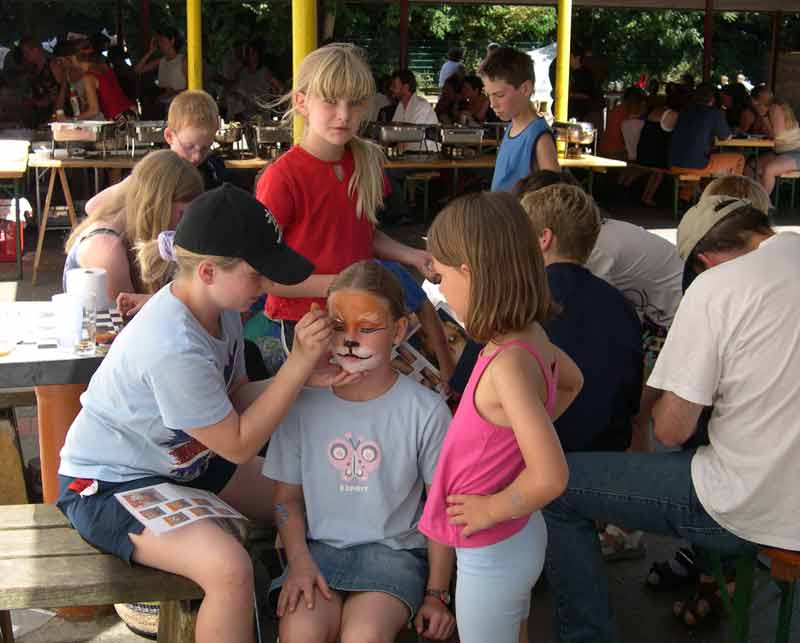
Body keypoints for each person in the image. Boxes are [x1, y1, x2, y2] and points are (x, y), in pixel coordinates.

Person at [57, 184, 361, 643]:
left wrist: (303, 378)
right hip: (109, 484)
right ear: (207, 271)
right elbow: (237, 444)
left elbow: (233, 397)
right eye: (256, 275)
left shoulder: (222, 306)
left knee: (308, 501)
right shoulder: (172, 344)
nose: (266, 286)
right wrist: (295, 366)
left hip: (183, 462)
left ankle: (330, 606)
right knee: (230, 570)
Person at [543, 194, 800, 640]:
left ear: (704, 260)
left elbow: (671, 429)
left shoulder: (717, 286)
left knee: (557, 486)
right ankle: (714, 580)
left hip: (754, 506)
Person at [419, 191, 581, 643]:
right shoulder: (530, 336)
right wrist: (520, 442)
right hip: (517, 532)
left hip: (493, 546)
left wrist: (492, 506)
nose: (440, 289)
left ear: (469, 273)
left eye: (442, 276)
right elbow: (572, 382)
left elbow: (551, 476)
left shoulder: (507, 363)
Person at [265, 260, 456, 643]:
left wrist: (437, 594)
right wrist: (299, 562)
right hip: (316, 554)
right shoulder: (300, 404)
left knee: (365, 635)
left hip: (394, 555)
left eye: (367, 329)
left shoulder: (425, 409)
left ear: (398, 330)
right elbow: (286, 499)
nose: (351, 339)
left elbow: (442, 507)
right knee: (300, 633)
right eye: (338, 326)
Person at [255, 43, 436, 351]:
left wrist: (415, 257)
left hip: (358, 316)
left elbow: (363, 233)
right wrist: (342, 285)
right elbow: (262, 276)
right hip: (306, 324)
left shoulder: (366, 162)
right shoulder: (282, 177)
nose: (343, 115)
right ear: (301, 102)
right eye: (330, 101)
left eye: (354, 103)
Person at [64, 150, 202, 306]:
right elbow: (129, 316)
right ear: (159, 206)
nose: (186, 224)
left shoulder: (125, 220)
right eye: (183, 214)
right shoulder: (106, 248)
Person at [86, 90, 226, 217]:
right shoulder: (156, 171)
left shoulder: (212, 168)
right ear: (169, 136)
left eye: (205, 148)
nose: (197, 156)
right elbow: (94, 206)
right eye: (189, 147)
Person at [480, 46, 559, 192]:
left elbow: (555, 195)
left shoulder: (541, 139)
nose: (492, 104)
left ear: (525, 89)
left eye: (499, 95)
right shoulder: (512, 126)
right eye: (488, 95)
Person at [669, 83, 745, 200]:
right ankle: (733, 198)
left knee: (699, 156)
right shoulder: (715, 113)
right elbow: (725, 137)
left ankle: (686, 196)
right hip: (697, 165)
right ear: (713, 99)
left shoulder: (684, 111)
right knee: (739, 159)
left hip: (674, 164)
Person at [16, 36, 67, 127]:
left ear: (35, 50)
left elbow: (61, 93)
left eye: (26, 53)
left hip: (55, 117)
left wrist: (54, 116)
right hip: (39, 118)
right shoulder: (33, 70)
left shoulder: (53, 65)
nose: (25, 56)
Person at [134, 26, 188, 108]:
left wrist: (173, 93)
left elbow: (190, 87)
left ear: (172, 41)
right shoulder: (161, 61)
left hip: (180, 105)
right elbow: (137, 70)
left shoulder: (183, 60)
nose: (159, 44)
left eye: (162, 41)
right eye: (158, 41)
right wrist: (150, 51)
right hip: (164, 105)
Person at [74, 51, 136, 121]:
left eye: (79, 64)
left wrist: (73, 119)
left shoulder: (88, 77)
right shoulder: (107, 69)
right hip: (130, 109)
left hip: (117, 114)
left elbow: (94, 110)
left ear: (84, 62)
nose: (78, 67)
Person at [756, 100, 800, 196]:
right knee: (753, 167)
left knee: (769, 170)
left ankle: (761, 202)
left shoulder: (775, 108)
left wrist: (763, 116)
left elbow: (776, 134)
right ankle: (755, 198)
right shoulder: (772, 110)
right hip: (780, 152)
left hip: (795, 152)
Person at [390, 68, 440, 149]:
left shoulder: (421, 105)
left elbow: (412, 136)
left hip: (427, 153)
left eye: (394, 86)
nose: (391, 88)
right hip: (410, 151)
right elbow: (392, 131)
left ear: (406, 87)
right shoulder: (401, 105)